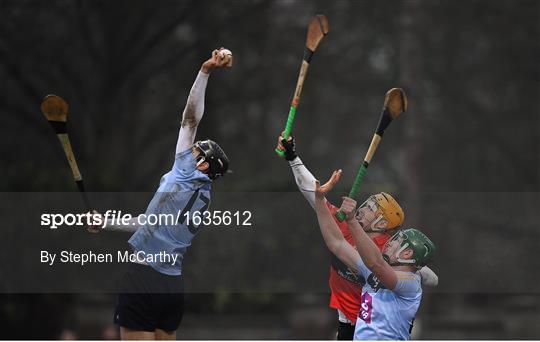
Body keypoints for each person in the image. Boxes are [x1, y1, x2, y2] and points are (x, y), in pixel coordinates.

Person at [89, 48, 231, 340]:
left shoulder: (183, 171)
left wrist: (205, 71)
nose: (191, 149)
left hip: (144, 278)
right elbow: (151, 221)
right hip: (172, 285)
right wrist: (106, 221)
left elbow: (190, 118)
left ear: (202, 164)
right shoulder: (204, 196)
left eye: (197, 151)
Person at [276, 135, 438, 340]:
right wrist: (293, 157)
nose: (363, 208)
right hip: (351, 320)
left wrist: (420, 272)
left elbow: (405, 270)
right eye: (368, 202)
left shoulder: (386, 252)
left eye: (371, 208)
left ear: (381, 224)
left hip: (378, 322)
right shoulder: (343, 224)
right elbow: (315, 196)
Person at [313, 169, 436, 340]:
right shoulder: (373, 272)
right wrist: (319, 200)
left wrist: (352, 220)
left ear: (407, 253)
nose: (390, 242)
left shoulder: (410, 285)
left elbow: (376, 264)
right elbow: (337, 243)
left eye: (397, 241)